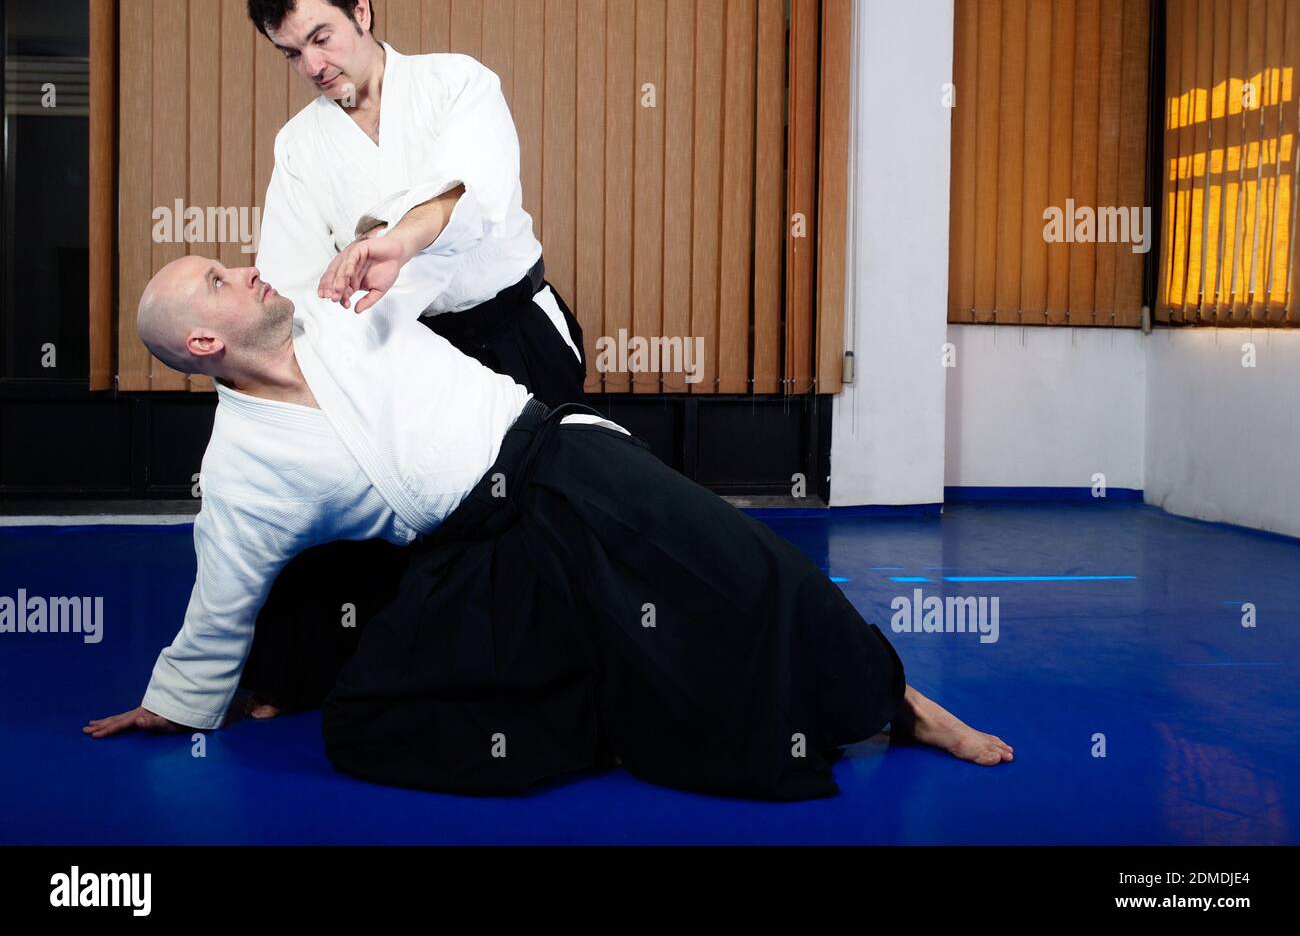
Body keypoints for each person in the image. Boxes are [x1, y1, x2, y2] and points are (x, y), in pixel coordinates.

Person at [82, 187, 1014, 801]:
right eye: (219, 279)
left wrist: (398, 240)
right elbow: (224, 591)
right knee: (377, 726)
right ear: (204, 344)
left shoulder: (343, 302)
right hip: (480, 546)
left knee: (736, 564)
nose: (245, 267)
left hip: (560, 458)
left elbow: (466, 216)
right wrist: (178, 699)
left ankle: (899, 698)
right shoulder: (245, 465)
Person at [239, 0, 591, 718]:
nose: (313, 64)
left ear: (361, 9)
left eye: (323, 36)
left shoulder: (455, 82)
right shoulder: (300, 146)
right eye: (292, 53)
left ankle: (563, 686)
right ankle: (311, 669)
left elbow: (472, 195)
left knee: (535, 514)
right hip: (396, 344)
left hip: (510, 335)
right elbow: (295, 277)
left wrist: (397, 239)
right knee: (356, 499)